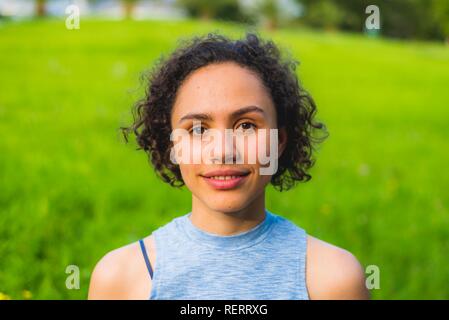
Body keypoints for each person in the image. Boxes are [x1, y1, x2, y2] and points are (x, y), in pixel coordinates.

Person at [88, 32, 369, 300]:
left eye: (246, 126)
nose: (223, 152)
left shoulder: (334, 279)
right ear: (173, 145)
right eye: (198, 129)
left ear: (280, 140)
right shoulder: (119, 279)